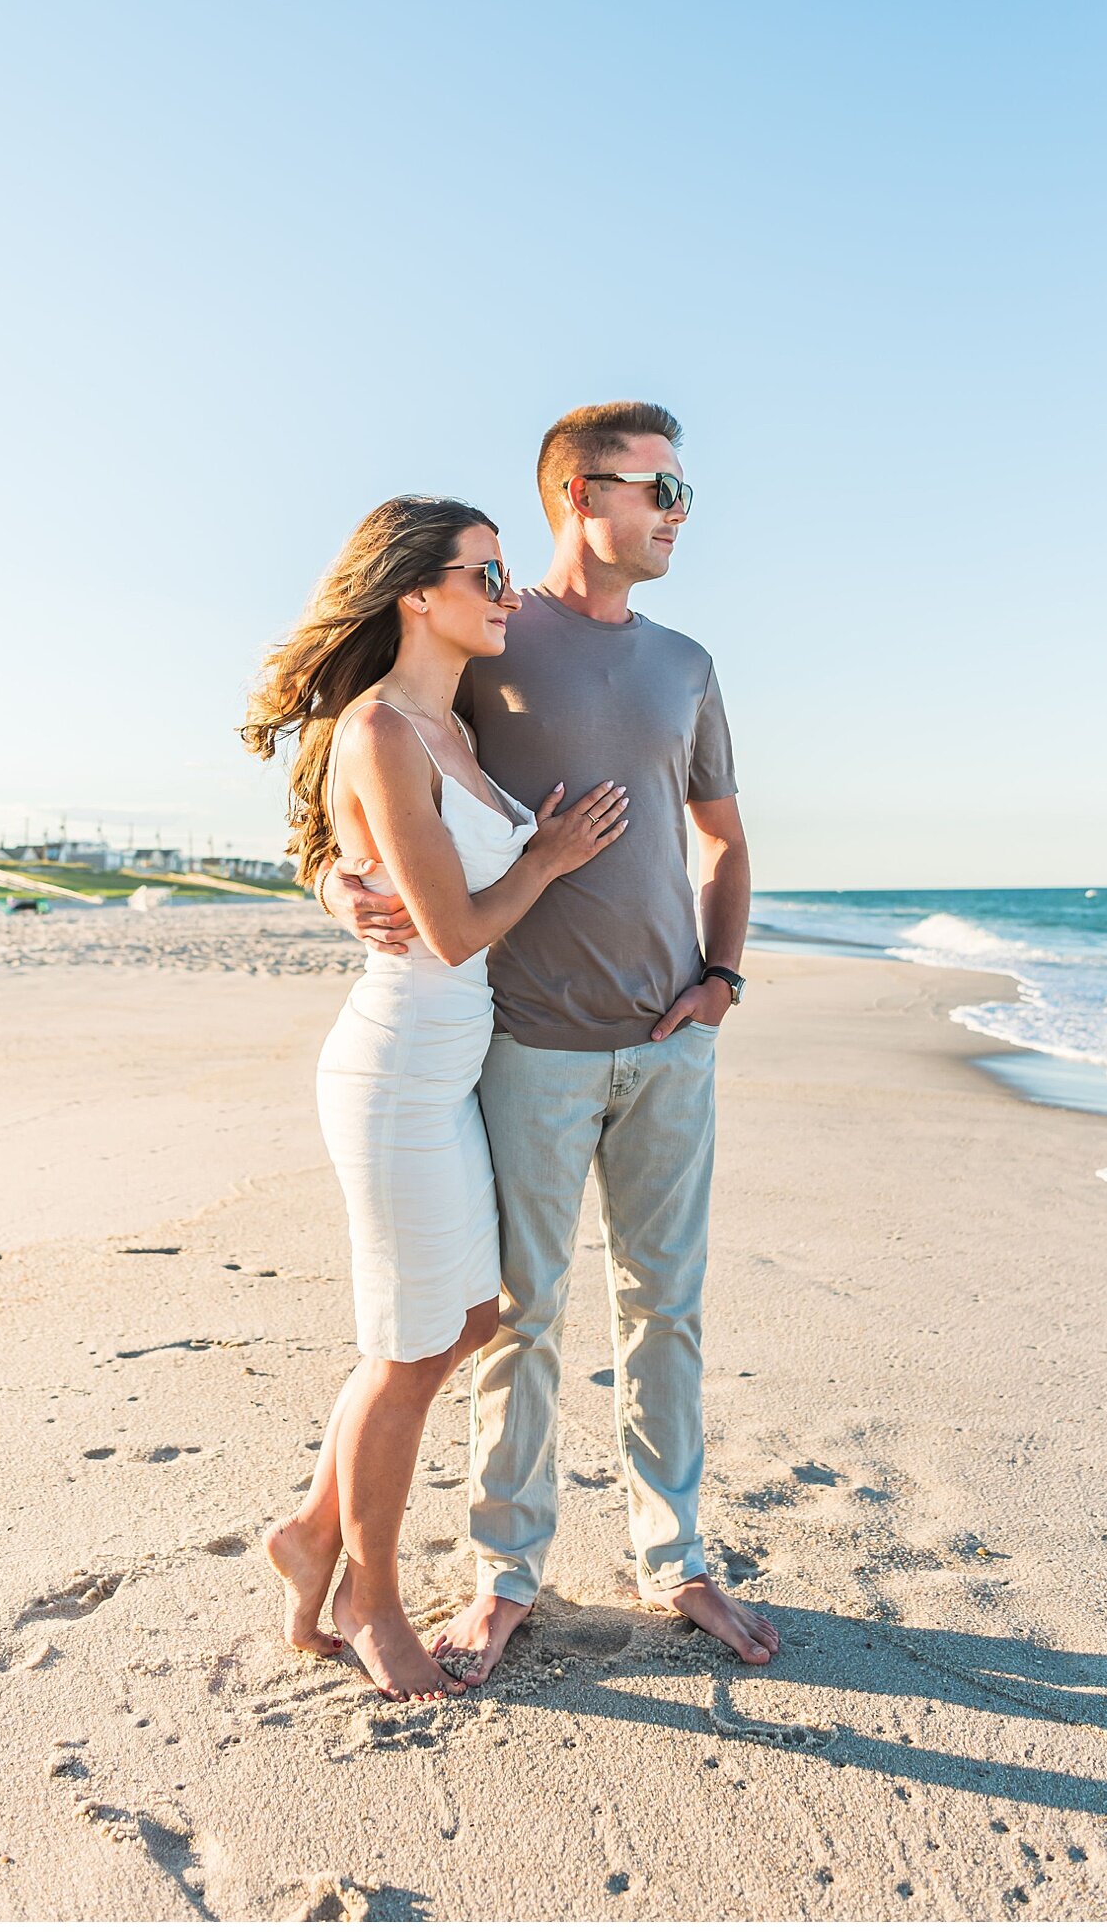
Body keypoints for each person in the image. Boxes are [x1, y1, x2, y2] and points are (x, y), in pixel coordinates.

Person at [319, 403, 781, 1679]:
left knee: (665, 1308)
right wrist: (330, 877)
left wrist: (723, 977)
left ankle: (675, 1555)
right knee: (521, 1317)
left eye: (683, 491)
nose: (681, 511)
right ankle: (504, 1573)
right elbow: (378, 763)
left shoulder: (687, 662)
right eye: (662, 488)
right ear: (584, 494)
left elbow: (726, 843)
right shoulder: (497, 643)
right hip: (524, 1043)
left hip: (670, 1038)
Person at [243, 495, 628, 1701]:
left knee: (467, 1320)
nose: (507, 592)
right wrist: (548, 859)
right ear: (418, 590)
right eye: (486, 572)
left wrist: (328, 877)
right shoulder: (384, 730)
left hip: (448, 1067)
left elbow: (344, 850)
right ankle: (370, 1594)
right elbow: (455, 933)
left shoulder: (446, 719)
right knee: (410, 1350)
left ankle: (312, 1532)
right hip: (399, 1071)